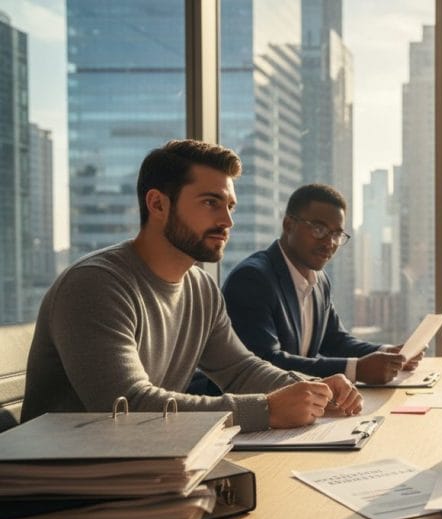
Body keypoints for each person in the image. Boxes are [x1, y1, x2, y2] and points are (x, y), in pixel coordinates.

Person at [22, 140, 362, 432]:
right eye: (210, 202)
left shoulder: (200, 286)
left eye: (229, 206)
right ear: (157, 204)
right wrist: (266, 409)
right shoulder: (95, 284)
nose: (227, 221)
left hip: (150, 465)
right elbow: (127, 406)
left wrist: (312, 390)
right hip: (70, 488)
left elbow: (241, 369)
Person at [218, 183, 422, 385]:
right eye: (319, 229)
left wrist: (387, 353)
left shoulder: (320, 280)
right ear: (289, 224)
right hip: (247, 411)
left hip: (299, 405)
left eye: (336, 234)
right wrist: (355, 370)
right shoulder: (252, 279)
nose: (329, 242)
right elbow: (265, 363)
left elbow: (334, 340)